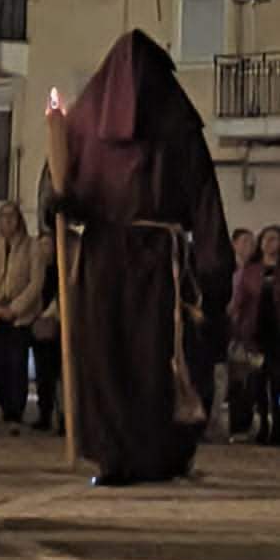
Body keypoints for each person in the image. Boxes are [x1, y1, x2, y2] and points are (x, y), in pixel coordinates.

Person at [60, 30, 233, 487]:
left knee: (152, 359)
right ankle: (120, 454)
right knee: (114, 357)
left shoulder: (167, 125)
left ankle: (152, 453)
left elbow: (202, 200)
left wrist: (214, 271)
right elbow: (64, 186)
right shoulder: (93, 124)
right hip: (121, 260)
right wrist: (59, 204)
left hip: (150, 264)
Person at [0, 201, 43, 432]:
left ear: (20, 219)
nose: (7, 221)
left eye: (11, 217)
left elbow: (35, 283)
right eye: (3, 217)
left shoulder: (33, 248)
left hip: (18, 317)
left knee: (15, 365)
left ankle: (14, 414)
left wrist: (15, 308)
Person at [231, 224, 280, 444]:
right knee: (258, 381)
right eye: (266, 239)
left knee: (277, 382)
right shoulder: (251, 270)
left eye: (274, 239)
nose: (269, 243)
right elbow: (240, 301)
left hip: (278, 333)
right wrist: (236, 327)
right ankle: (262, 423)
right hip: (256, 332)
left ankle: (278, 424)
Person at [228, 227, 259, 441]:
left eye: (252, 241)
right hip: (226, 327)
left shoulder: (254, 271)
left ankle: (242, 424)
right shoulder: (227, 268)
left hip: (248, 330)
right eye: (245, 241)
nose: (249, 245)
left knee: (246, 379)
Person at [30, 233, 62, 432]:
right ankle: (45, 415)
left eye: (48, 244)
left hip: (57, 325)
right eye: (41, 245)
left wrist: (49, 313)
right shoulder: (35, 270)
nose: (44, 249)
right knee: (43, 375)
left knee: (59, 375)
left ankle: (63, 418)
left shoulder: (60, 270)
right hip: (38, 325)